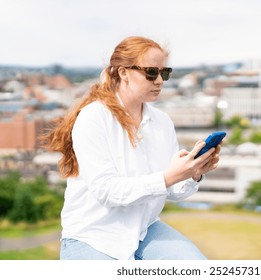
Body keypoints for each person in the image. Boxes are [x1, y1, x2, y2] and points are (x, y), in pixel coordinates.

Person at [42, 36, 221, 260]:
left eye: (164, 73)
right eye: (151, 72)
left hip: (144, 229)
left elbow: (172, 190)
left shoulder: (162, 122)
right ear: (123, 72)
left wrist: (193, 173)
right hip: (93, 235)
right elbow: (107, 191)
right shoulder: (94, 117)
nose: (159, 81)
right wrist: (167, 177)